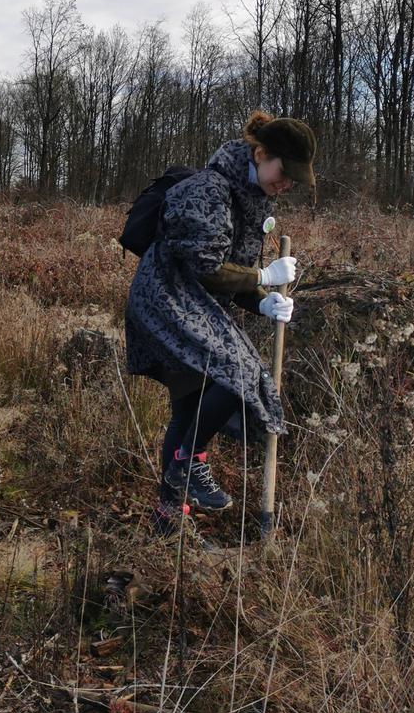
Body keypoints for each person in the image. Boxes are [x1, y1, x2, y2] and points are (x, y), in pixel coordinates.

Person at [124, 110, 316, 518]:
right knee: (238, 373)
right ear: (260, 154)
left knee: (189, 409)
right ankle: (187, 464)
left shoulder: (253, 197)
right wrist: (263, 276)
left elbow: (234, 270)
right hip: (165, 299)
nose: (286, 184)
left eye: (294, 179)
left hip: (193, 301)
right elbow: (207, 268)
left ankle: (169, 518)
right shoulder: (208, 189)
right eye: (284, 172)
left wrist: (262, 300)